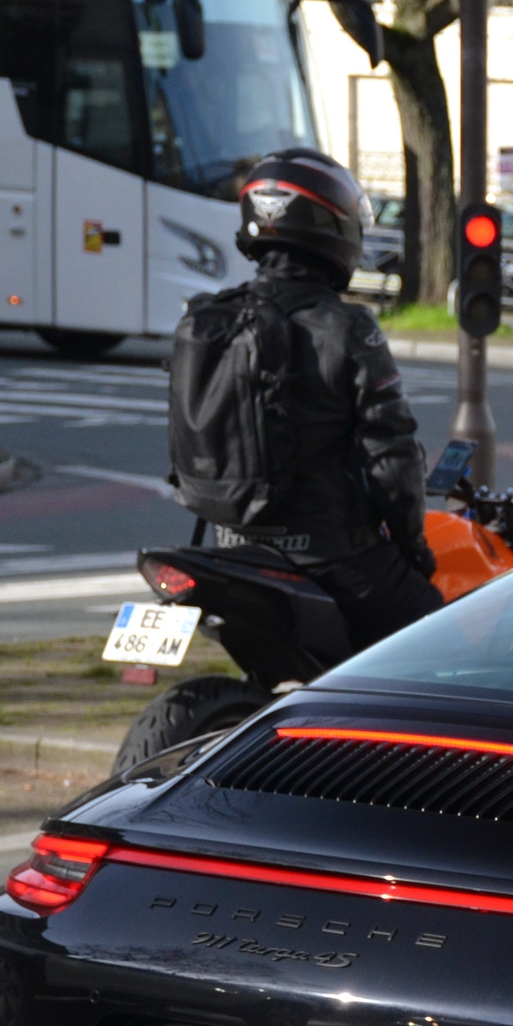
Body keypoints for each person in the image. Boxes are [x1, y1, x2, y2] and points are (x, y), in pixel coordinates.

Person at [193, 147, 440, 650]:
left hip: (230, 547)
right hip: (330, 555)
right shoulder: (347, 328)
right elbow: (391, 459)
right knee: (440, 644)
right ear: (331, 226)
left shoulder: (205, 319)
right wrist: (414, 548)